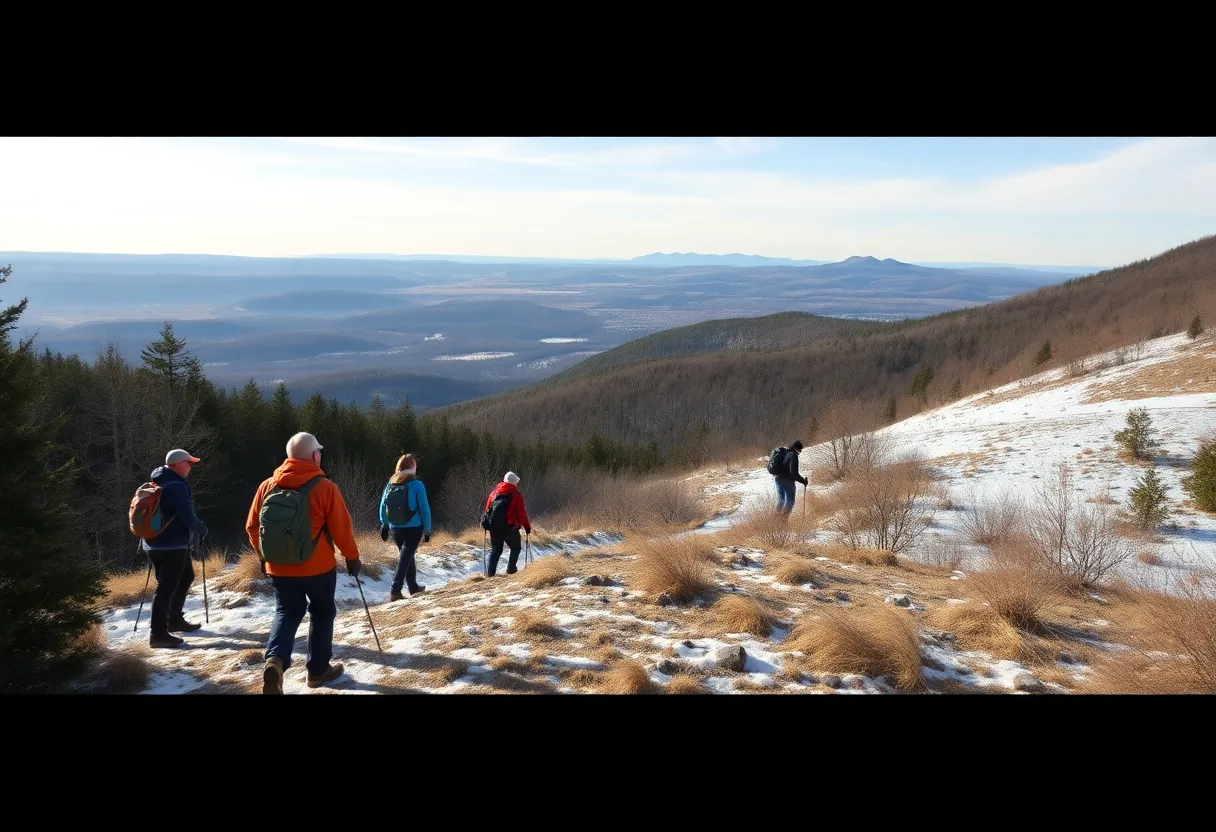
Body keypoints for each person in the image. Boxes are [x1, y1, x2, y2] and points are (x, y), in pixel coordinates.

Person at [246, 431, 362, 695]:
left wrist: (265, 556)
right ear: (313, 455)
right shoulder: (325, 488)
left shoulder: (267, 486)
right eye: (318, 451)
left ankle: (275, 660)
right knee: (322, 612)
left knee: (287, 611)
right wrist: (352, 558)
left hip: (278, 568)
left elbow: (252, 526)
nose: (320, 455)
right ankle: (318, 670)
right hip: (318, 568)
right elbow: (342, 530)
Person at [142, 449, 209, 649]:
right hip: (172, 545)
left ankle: (175, 620)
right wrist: (201, 528)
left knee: (185, 576)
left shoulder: (157, 480)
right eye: (189, 463)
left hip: (153, 543)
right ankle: (158, 634)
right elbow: (187, 516)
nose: (191, 467)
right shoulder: (176, 486)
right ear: (179, 464)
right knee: (166, 587)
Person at [378, 453, 432, 601]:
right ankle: (395, 590)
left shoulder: (392, 482)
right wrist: (427, 529)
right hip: (414, 527)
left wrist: (385, 523)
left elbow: (383, 505)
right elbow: (424, 508)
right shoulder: (416, 484)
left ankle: (413, 586)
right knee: (406, 556)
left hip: (395, 527)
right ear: (412, 467)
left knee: (407, 555)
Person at [483, 471, 532, 577]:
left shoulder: (494, 493)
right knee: (515, 548)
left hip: (494, 527)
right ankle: (511, 570)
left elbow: (487, 510)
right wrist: (527, 527)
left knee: (496, 550)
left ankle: (490, 574)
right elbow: (521, 514)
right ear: (514, 482)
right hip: (510, 528)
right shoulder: (516, 495)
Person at [773, 440, 809, 516]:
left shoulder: (787, 453)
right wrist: (803, 481)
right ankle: (783, 521)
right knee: (790, 502)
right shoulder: (793, 455)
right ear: (796, 448)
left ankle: (775, 520)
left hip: (778, 479)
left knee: (781, 501)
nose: (801, 451)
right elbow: (794, 472)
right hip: (787, 481)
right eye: (800, 449)